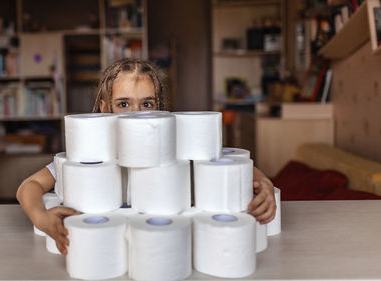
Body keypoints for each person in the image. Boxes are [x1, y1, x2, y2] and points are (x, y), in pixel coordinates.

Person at [17, 58, 276, 255]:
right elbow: (30, 186)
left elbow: (228, 163)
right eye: (124, 104)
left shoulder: (171, 149)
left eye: (147, 104)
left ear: (159, 109)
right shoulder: (89, 155)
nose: (136, 114)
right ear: (106, 109)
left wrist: (263, 184)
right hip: (103, 250)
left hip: (162, 248)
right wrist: (41, 217)